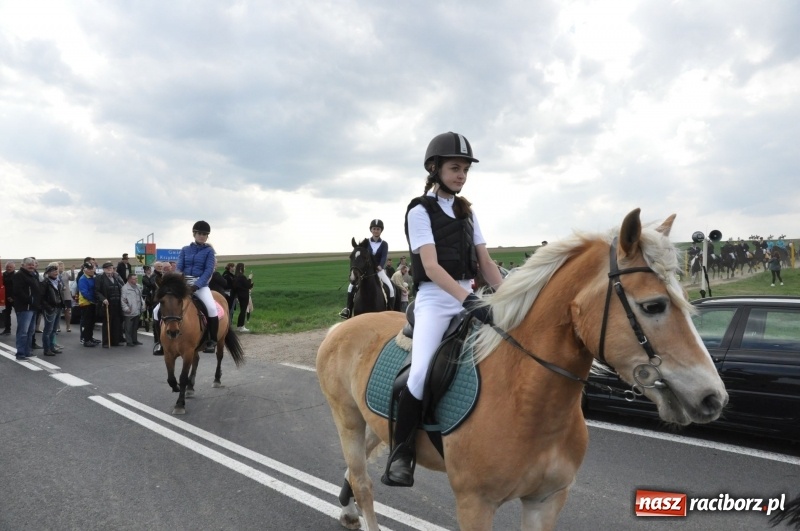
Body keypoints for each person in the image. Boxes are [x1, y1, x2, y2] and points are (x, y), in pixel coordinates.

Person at [382, 132, 503, 488]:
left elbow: (486, 262)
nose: (461, 174)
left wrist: (511, 299)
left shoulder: (467, 211)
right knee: (419, 374)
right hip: (436, 299)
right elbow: (432, 267)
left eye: (465, 169)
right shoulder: (420, 209)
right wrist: (469, 302)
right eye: (455, 168)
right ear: (434, 168)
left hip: (469, 294)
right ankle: (401, 454)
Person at [170, 220, 219, 352]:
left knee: (212, 309)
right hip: (183, 284)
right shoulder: (185, 250)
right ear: (194, 234)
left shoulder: (209, 251)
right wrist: (179, 281)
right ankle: (159, 341)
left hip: (200, 285)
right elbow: (179, 267)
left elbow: (208, 271)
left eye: (205, 234)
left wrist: (197, 285)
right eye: (199, 233)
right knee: (157, 309)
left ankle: (212, 340)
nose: (202, 236)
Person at [339, 219, 396, 318]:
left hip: (378, 271)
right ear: (371, 230)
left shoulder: (384, 244)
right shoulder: (366, 243)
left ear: (381, 230)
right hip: (366, 271)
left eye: (378, 229)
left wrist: (380, 266)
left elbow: (383, 256)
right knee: (350, 287)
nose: (376, 231)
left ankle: (390, 310)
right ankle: (348, 310)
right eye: (374, 229)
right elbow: (362, 256)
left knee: (390, 288)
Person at [12, 257, 41, 361]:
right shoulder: (19, 275)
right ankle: (20, 354)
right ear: (22, 265)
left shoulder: (33, 275)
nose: (31, 266)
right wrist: (30, 300)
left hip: (33, 307)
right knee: (23, 332)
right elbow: (18, 291)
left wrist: (37, 302)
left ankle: (27, 352)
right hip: (24, 307)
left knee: (31, 331)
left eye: (32, 264)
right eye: (28, 264)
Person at [95, 261, 125, 346]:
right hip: (107, 304)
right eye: (107, 268)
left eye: (111, 268)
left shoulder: (115, 277)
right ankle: (106, 342)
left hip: (117, 303)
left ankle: (115, 341)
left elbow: (121, 287)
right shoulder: (99, 278)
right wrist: (103, 299)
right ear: (104, 269)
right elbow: (97, 291)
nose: (109, 270)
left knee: (116, 322)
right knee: (107, 323)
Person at [40, 263, 64, 356]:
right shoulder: (45, 283)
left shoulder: (57, 281)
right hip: (50, 308)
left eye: (56, 270)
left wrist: (62, 304)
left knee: (54, 330)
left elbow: (59, 295)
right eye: (53, 271)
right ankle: (46, 349)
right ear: (48, 272)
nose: (55, 272)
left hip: (58, 307)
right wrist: (48, 307)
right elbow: (41, 298)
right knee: (48, 330)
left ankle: (52, 346)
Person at [78, 262, 100, 347]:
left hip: (92, 303)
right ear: (85, 270)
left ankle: (90, 338)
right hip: (86, 303)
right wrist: (94, 300)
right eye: (89, 269)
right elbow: (85, 293)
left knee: (92, 322)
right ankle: (86, 340)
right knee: (87, 323)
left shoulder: (93, 277)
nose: (91, 271)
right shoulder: (83, 279)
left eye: (92, 269)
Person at [121, 273, 145, 347]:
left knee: (135, 327)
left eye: (136, 278)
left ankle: (135, 340)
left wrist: (143, 305)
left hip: (137, 310)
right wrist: (126, 309)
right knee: (128, 327)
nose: (136, 280)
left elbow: (140, 298)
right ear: (129, 279)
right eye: (134, 279)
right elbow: (123, 300)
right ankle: (129, 341)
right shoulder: (125, 288)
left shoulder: (138, 286)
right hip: (130, 311)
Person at [232, 263, 254, 332]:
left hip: (239, 295)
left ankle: (239, 326)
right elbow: (247, 285)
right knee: (243, 311)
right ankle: (242, 326)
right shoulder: (242, 277)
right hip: (244, 295)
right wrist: (250, 278)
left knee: (242, 311)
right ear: (241, 268)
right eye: (244, 267)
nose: (245, 269)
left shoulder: (236, 276)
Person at [57, 261, 75, 333]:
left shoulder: (66, 273)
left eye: (62, 266)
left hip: (66, 295)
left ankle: (68, 326)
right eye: (59, 266)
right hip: (58, 295)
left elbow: (72, 279)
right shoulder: (56, 274)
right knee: (58, 312)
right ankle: (57, 327)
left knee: (67, 312)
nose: (61, 267)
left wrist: (72, 271)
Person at [141, 265, 157, 332]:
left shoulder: (153, 276)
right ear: (145, 271)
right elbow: (148, 283)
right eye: (148, 270)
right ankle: (145, 318)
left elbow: (154, 283)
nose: (149, 271)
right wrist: (152, 283)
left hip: (152, 293)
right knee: (145, 305)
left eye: (150, 270)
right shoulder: (144, 277)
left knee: (151, 305)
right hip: (146, 293)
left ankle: (150, 317)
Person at [2, 261, 15, 335]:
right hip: (5, 298)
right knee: (6, 314)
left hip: (14, 298)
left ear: (14, 267)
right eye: (7, 267)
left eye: (10, 267)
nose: (9, 268)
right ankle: (7, 329)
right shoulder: (3, 275)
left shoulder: (17, 276)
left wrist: (13, 297)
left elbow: (18, 288)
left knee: (19, 314)